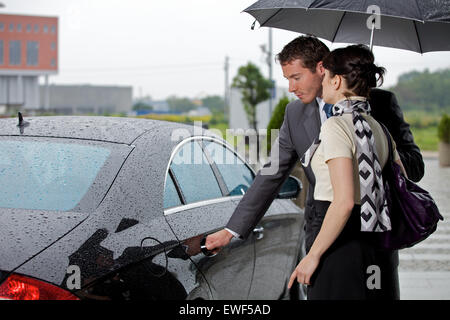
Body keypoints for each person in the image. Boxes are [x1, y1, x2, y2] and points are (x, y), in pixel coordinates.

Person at [205, 36, 424, 299]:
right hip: (323, 233)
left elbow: (415, 166)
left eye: (296, 77)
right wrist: (232, 230)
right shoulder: (294, 114)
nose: (290, 87)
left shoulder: (379, 107)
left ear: (322, 69)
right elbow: (271, 174)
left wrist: (371, 157)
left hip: (374, 234)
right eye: (287, 79)